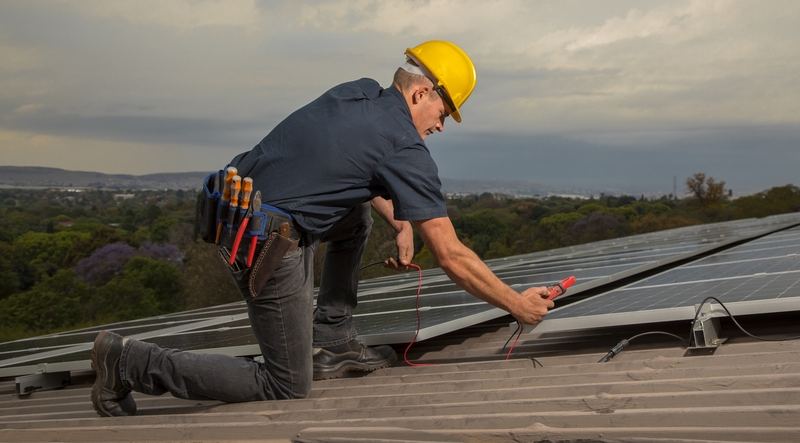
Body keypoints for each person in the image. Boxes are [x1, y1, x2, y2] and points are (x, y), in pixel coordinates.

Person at [91, 40, 554, 417]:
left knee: (356, 216)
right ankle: (129, 362)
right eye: (444, 110)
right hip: (268, 246)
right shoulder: (405, 145)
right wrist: (517, 304)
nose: (441, 126)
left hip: (237, 217)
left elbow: (345, 164)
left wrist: (400, 223)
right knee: (286, 384)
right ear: (420, 94)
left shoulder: (354, 94)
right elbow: (450, 254)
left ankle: (333, 336)